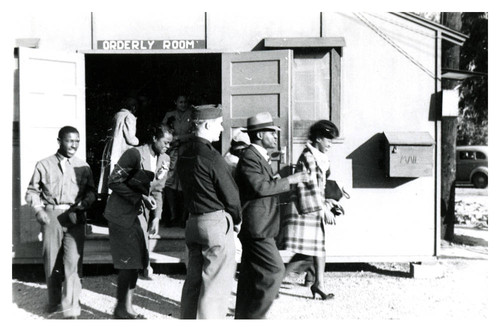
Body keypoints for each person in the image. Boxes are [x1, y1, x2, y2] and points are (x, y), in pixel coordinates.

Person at [234, 112, 309, 319]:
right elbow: (260, 187)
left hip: (259, 225)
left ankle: (243, 318)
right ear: (258, 135)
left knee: (250, 278)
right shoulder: (250, 157)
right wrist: (290, 180)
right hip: (258, 228)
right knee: (275, 272)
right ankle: (256, 318)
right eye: (271, 133)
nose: (276, 137)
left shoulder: (257, 157)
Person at [177, 104, 242, 319]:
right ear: (206, 125)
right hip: (215, 224)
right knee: (215, 287)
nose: (222, 129)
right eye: (219, 124)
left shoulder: (184, 154)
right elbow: (231, 196)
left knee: (193, 284)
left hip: (193, 222)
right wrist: (237, 218)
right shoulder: (212, 157)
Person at [25, 126, 97, 319]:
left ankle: (71, 305)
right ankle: (54, 300)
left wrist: (86, 202)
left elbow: (91, 192)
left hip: (75, 217)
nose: (74, 145)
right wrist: (38, 209)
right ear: (59, 141)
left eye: (77, 141)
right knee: (51, 261)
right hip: (52, 217)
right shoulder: (44, 164)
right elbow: (32, 191)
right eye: (69, 141)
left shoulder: (84, 166)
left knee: (73, 261)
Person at [103, 124, 173, 319]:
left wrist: (156, 217)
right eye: (165, 143)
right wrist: (140, 198)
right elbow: (113, 181)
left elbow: (158, 190)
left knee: (136, 261)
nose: (167, 147)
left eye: (170, 144)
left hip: (140, 217)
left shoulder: (164, 160)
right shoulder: (134, 154)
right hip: (121, 215)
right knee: (129, 262)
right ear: (154, 139)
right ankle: (123, 309)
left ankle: (124, 308)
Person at [281, 120, 340, 300]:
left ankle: (318, 284)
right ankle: (274, 283)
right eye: (328, 140)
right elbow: (309, 186)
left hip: (312, 206)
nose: (330, 144)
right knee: (307, 250)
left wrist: (328, 200)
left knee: (317, 248)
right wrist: (323, 210)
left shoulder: (317, 156)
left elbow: (319, 186)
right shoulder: (309, 156)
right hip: (304, 209)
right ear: (319, 138)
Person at [161, 94, 195, 228]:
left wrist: (179, 138)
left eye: (185, 102)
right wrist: (171, 139)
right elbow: (163, 130)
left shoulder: (192, 114)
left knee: (185, 183)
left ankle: (183, 217)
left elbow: (194, 133)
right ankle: (171, 216)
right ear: (175, 102)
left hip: (186, 151)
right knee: (169, 183)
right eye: (180, 102)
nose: (183, 104)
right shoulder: (170, 115)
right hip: (173, 152)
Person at [98, 97, 140, 195]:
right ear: (133, 107)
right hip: (121, 149)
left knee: (111, 172)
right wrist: (138, 141)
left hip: (112, 148)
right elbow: (130, 139)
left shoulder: (117, 115)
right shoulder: (130, 117)